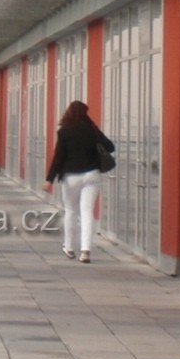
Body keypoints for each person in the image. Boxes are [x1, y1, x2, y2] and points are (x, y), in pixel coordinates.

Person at [45, 99, 114, 263]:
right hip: (92, 174)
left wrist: (49, 179)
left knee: (70, 210)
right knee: (87, 212)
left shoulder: (64, 131)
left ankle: (68, 247)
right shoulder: (92, 130)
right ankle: (85, 251)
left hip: (71, 177)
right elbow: (110, 147)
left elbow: (58, 157)